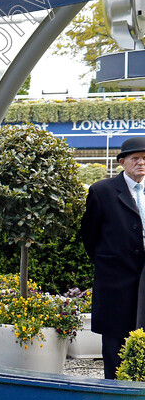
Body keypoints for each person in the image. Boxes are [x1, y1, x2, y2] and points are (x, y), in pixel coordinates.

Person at [81, 136, 145, 378]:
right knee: (115, 347)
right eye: (135, 158)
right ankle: (113, 396)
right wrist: (109, 262)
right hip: (115, 281)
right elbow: (89, 234)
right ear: (122, 162)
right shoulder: (102, 191)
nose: (141, 163)